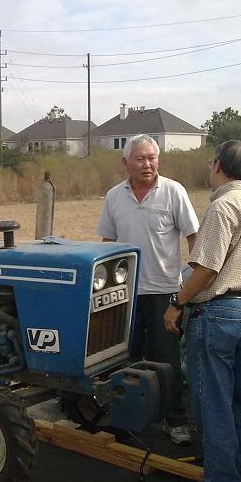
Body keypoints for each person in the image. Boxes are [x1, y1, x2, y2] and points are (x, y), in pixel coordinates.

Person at [163, 140, 241, 482]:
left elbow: (206, 269)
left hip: (220, 314)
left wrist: (177, 303)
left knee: (214, 402)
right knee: (240, 398)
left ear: (218, 165)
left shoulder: (222, 207)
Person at [96, 134, 199, 444]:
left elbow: (193, 236)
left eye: (152, 158)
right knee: (123, 358)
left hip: (164, 292)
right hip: (125, 294)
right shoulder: (114, 197)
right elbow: (107, 245)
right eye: (140, 159)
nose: (147, 164)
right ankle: (125, 420)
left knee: (166, 361)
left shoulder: (174, 192)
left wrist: (192, 282)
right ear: (125, 162)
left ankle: (174, 420)